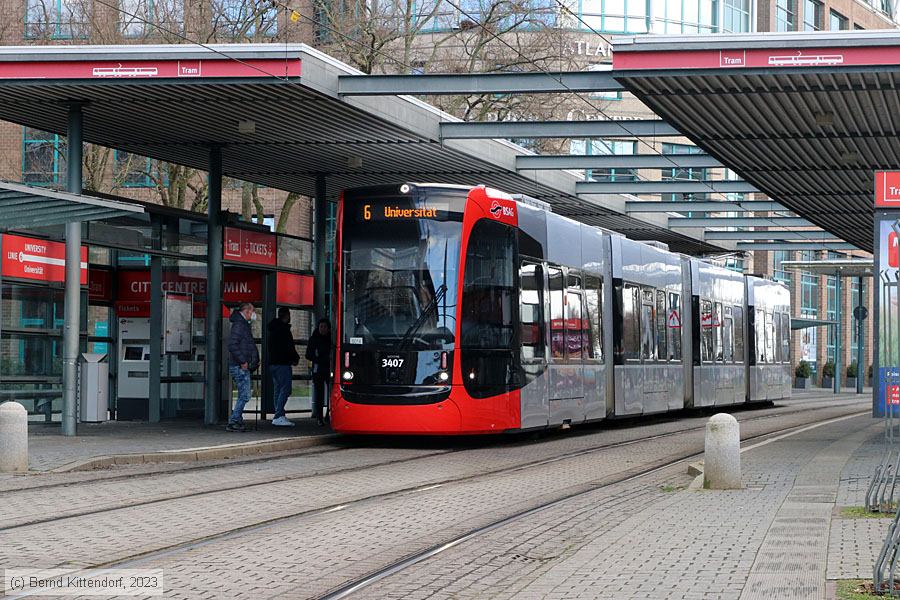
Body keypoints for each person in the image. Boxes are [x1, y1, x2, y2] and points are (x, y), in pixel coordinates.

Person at [227, 302, 259, 432]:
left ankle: (237, 420)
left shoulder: (242, 324)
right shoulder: (240, 325)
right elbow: (232, 345)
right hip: (240, 366)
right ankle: (234, 421)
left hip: (241, 365)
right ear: (247, 311)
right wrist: (243, 361)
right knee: (245, 395)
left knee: (243, 394)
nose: (253, 315)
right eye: (252, 312)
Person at [268, 307, 300, 427]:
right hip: (283, 363)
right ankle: (278, 415)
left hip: (273, 363)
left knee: (278, 389)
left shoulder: (272, 329)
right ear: (287, 315)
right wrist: (295, 358)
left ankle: (279, 413)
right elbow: (289, 347)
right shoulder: (284, 330)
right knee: (285, 389)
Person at [305, 318, 332, 426]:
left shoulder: (331, 339)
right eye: (321, 326)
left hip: (329, 369)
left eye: (325, 327)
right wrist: (318, 359)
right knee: (319, 394)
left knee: (331, 393)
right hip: (318, 369)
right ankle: (319, 417)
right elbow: (308, 354)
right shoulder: (314, 339)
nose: (323, 329)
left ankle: (329, 414)